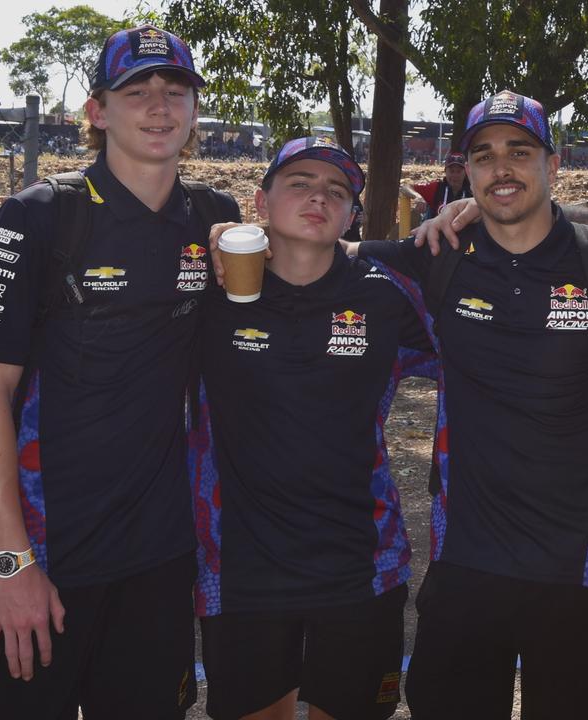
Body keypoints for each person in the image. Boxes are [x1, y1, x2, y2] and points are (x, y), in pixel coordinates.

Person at [0, 25, 240, 719]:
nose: (158, 106)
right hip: (43, 557)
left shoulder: (216, 218)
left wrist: (452, 218)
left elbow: (316, 263)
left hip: (159, 560)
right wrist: (11, 564)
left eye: (175, 91)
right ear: (97, 111)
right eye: (136, 90)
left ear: (194, 110)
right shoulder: (37, 217)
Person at [352, 90, 588, 720]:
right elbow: (319, 255)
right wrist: (233, 233)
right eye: (484, 155)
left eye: (519, 151)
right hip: (466, 566)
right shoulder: (436, 259)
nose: (502, 167)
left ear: (553, 165)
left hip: (580, 569)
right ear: (467, 171)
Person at [193, 137, 431, 720]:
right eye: (299, 183)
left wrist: (459, 213)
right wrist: (218, 235)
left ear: (352, 213)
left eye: (337, 190)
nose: (318, 197)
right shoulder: (207, 289)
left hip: (360, 562)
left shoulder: (387, 291)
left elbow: (479, 341)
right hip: (243, 566)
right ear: (260, 200)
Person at [400, 151, 472, 220]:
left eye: (459, 171)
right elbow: (405, 187)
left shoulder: (472, 191)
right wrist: (418, 197)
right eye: (451, 171)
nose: (455, 175)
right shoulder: (436, 188)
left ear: (465, 172)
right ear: (445, 171)